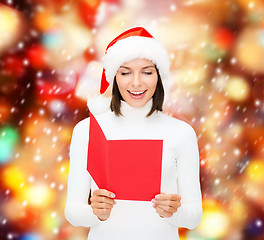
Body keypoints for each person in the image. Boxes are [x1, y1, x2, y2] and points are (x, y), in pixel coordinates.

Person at [64, 27, 203, 240]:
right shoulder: (88, 130)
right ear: (114, 77)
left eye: (147, 72)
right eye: (125, 72)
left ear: (158, 76)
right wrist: (95, 213)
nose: (136, 82)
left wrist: (175, 213)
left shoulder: (181, 133)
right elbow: (73, 211)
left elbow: (194, 217)